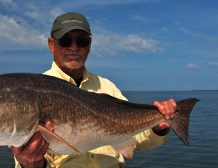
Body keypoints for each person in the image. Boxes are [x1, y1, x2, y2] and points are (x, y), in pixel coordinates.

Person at [11, 12, 176, 168]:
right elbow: (25, 159)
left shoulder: (107, 87)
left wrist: (158, 128)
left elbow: (135, 140)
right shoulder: (35, 91)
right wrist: (30, 163)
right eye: (66, 40)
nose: (74, 47)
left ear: (89, 45)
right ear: (52, 45)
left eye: (82, 41)